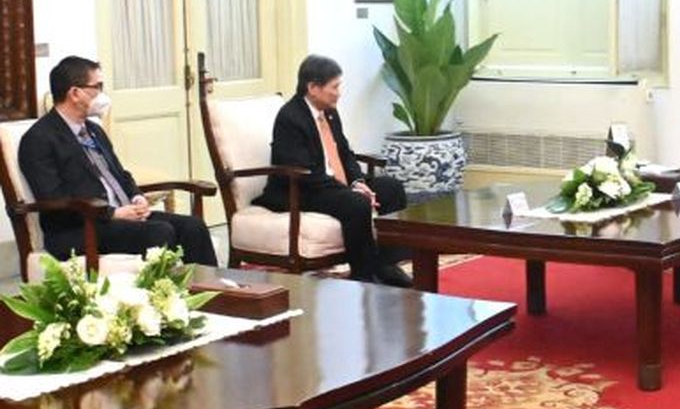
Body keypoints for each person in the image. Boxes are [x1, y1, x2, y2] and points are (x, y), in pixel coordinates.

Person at [18, 56, 218, 266]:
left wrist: (136, 197)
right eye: (97, 87)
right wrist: (113, 213)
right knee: (160, 232)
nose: (102, 94)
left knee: (193, 227)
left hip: (121, 216)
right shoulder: (39, 139)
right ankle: (162, 296)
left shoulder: (93, 130)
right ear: (75, 93)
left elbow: (119, 174)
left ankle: (212, 295)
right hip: (79, 229)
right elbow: (54, 200)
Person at [254, 55, 411, 287]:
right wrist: (351, 192)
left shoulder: (329, 111)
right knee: (355, 203)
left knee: (391, 188)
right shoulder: (290, 117)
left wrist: (357, 182)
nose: (339, 92)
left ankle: (387, 266)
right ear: (313, 88)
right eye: (334, 87)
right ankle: (363, 275)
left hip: (333, 185)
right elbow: (303, 171)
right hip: (302, 189)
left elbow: (345, 153)